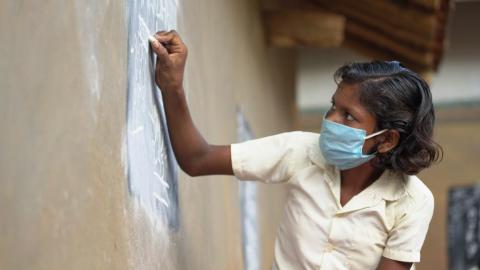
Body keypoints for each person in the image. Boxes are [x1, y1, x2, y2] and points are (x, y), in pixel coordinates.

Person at [149, 30, 442, 270]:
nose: (330, 120)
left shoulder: (413, 202)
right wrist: (172, 86)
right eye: (332, 107)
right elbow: (197, 159)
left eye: (348, 116)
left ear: (387, 139)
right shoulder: (301, 150)